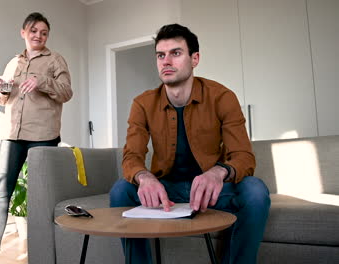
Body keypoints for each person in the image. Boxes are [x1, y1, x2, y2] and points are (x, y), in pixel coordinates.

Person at [109, 24, 270, 264]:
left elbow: (244, 156)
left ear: (195, 59)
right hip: (168, 190)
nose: (166, 61)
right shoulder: (142, 104)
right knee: (120, 191)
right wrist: (145, 177)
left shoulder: (222, 97)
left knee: (256, 191)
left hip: (212, 191)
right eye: (160, 55)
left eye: (175, 53)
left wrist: (218, 172)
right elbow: (131, 156)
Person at [0, 12, 72, 264]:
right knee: (1, 192)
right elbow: (5, 99)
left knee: (44, 195)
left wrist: (41, 80)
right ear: (23, 32)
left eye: (44, 32)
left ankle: (50, 252)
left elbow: (66, 92)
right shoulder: (13, 63)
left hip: (43, 136)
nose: (38, 36)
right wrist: (2, 90)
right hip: (12, 135)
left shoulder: (56, 60)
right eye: (34, 31)